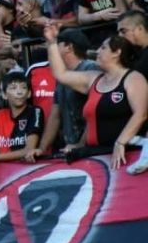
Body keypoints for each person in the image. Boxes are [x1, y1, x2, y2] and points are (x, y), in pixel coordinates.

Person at [45, 24, 148, 172]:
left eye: (103, 48)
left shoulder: (133, 78)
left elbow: (141, 114)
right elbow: (61, 74)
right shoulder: (93, 79)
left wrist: (120, 142)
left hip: (125, 155)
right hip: (96, 156)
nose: (98, 51)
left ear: (116, 52)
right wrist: (52, 42)